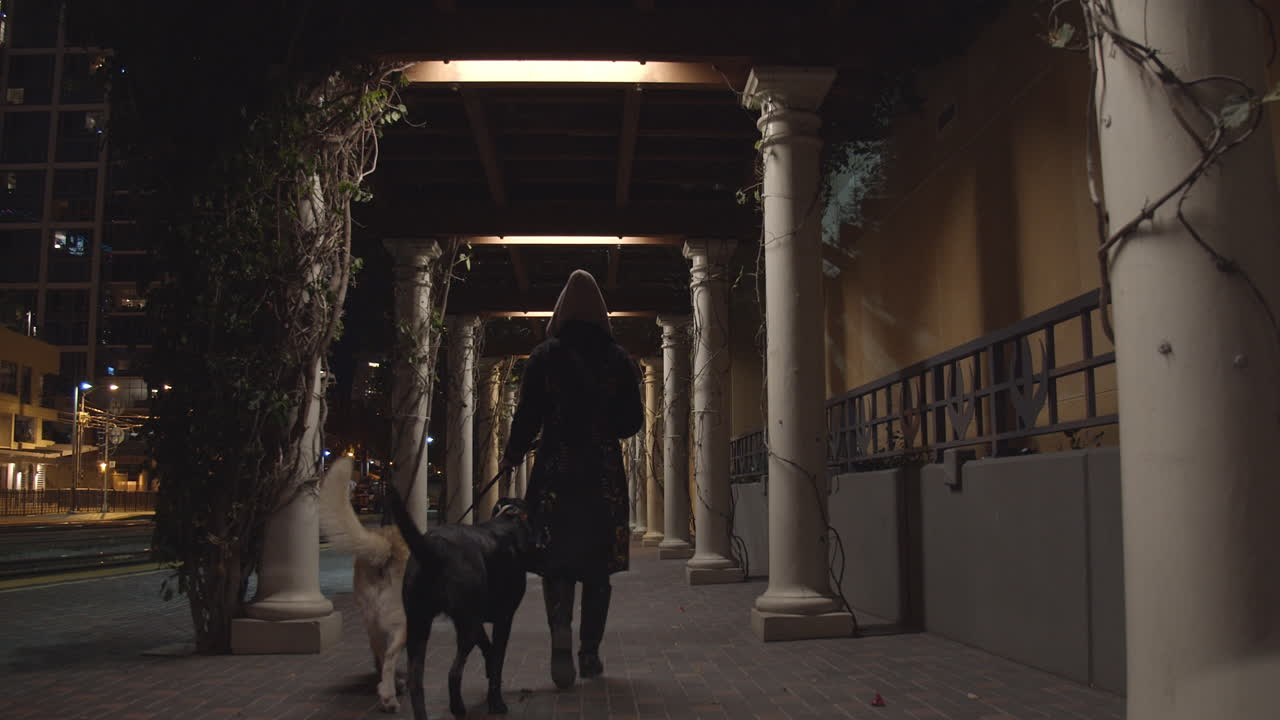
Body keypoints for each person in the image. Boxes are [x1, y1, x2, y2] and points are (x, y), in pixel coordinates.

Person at [499, 269, 644, 689]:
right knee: (598, 568)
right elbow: (633, 421)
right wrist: (605, 423)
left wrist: (511, 455)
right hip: (601, 474)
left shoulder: (545, 355)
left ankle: (560, 628)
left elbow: (527, 415)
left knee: (555, 560)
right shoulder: (617, 359)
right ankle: (590, 652)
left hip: (555, 472)